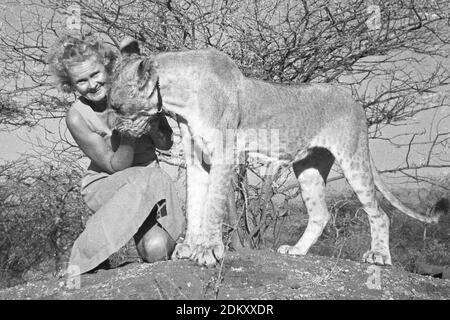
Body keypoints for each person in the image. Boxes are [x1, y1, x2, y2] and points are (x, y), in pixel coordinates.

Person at [47, 34, 185, 275]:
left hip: (149, 188)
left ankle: (164, 241)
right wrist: (129, 129)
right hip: (107, 187)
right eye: (81, 81)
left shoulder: (136, 91)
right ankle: (83, 257)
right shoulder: (76, 116)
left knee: (157, 250)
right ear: (70, 85)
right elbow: (114, 167)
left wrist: (149, 124)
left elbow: (166, 144)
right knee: (151, 176)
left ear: (108, 67)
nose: (92, 84)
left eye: (95, 74)